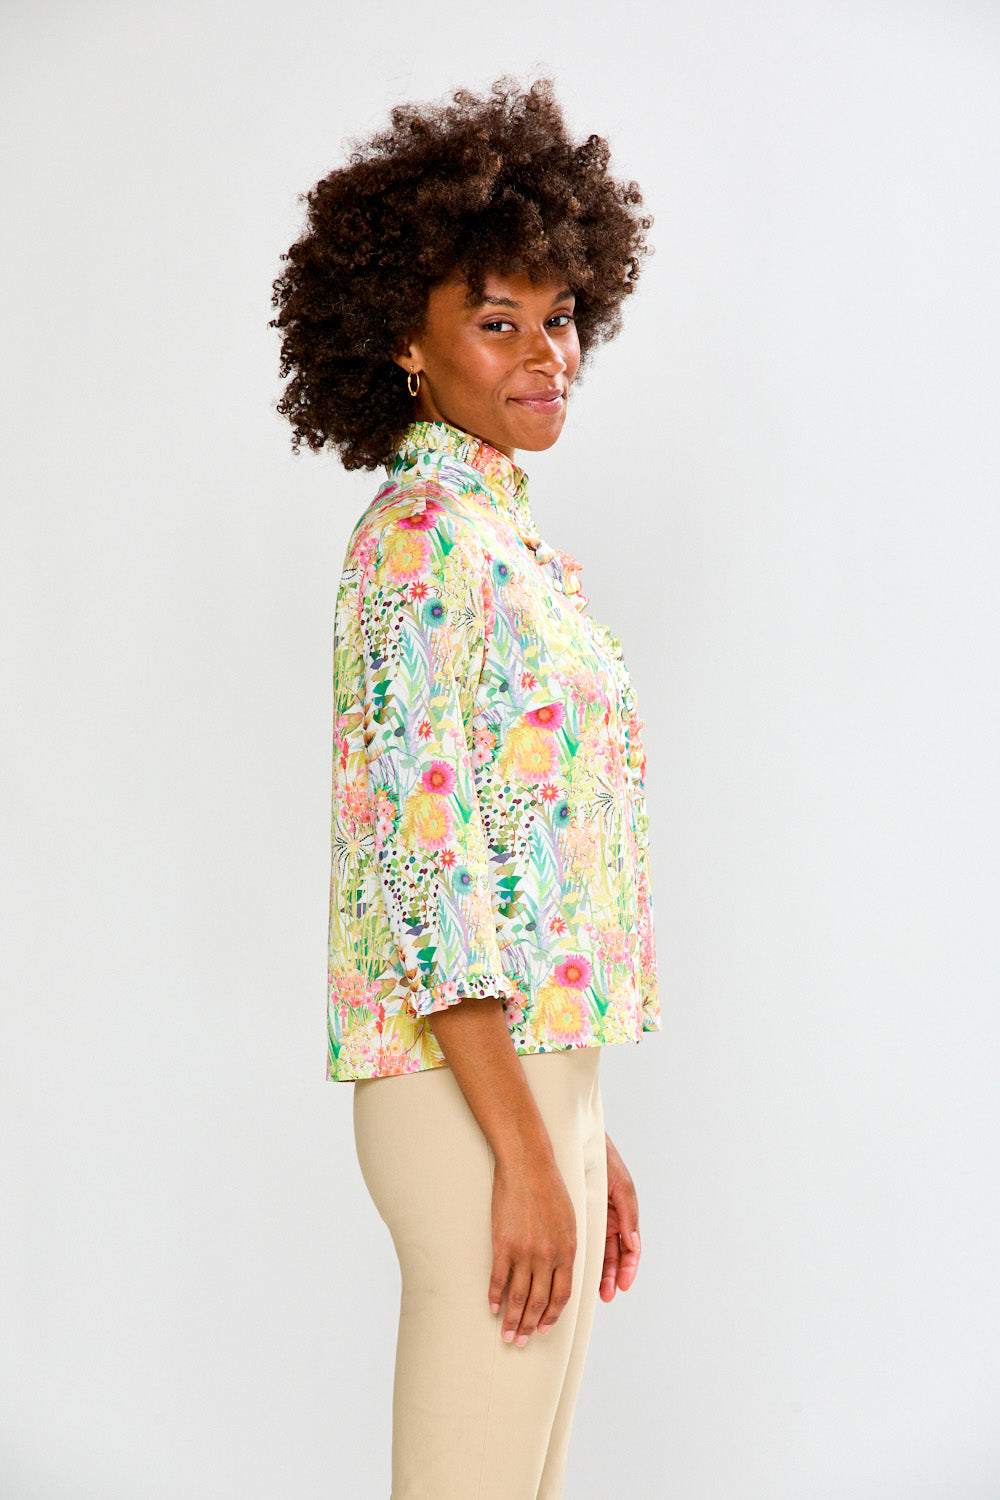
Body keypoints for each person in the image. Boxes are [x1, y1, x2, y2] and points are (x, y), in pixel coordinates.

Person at [271, 77, 659, 1500]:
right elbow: (424, 871)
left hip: (533, 1089)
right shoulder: (421, 541)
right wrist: (525, 1149)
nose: (548, 353)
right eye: (500, 322)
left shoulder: (500, 540)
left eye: (560, 316)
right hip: (469, 1100)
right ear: (404, 341)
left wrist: (584, 1134)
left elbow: (520, 858)